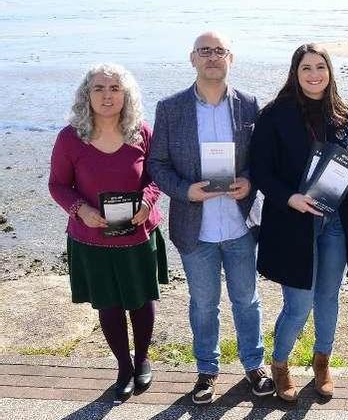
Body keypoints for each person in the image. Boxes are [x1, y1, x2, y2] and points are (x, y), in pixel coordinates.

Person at [146, 32, 273, 404]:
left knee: (247, 300)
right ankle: (207, 370)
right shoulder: (170, 108)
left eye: (219, 51)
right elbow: (157, 163)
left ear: (230, 58)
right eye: (205, 51)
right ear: (193, 58)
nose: (212, 57)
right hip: (194, 227)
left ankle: (254, 365)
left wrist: (249, 180)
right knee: (203, 304)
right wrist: (185, 190)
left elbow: (260, 161)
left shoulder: (250, 105)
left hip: (239, 225)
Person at [250, 43, 348, 401]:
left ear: (330, 71)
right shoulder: (274, 114)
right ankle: (281, 364)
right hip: (292, 222)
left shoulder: (345, 116)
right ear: (295, 73)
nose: (314, 74)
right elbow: (260, 171)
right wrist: (291, 198)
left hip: (336, 221)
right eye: (307, 68)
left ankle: (321, 362)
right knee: (299, 303)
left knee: (329, 298)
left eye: (320, 67)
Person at [49, 64, 167, 401]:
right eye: (99, 88)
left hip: (138, 233)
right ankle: (123, 366)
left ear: (125, 95)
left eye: (115, 88)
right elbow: (58, 185)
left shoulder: (141, 132)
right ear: (87, 94)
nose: (107, 95)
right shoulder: (70, 137)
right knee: (109, 304)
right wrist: (81, 210)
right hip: (92, 237)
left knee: (142, 300)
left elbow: (157, 175)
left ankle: (143, 358)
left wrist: (147, 200)